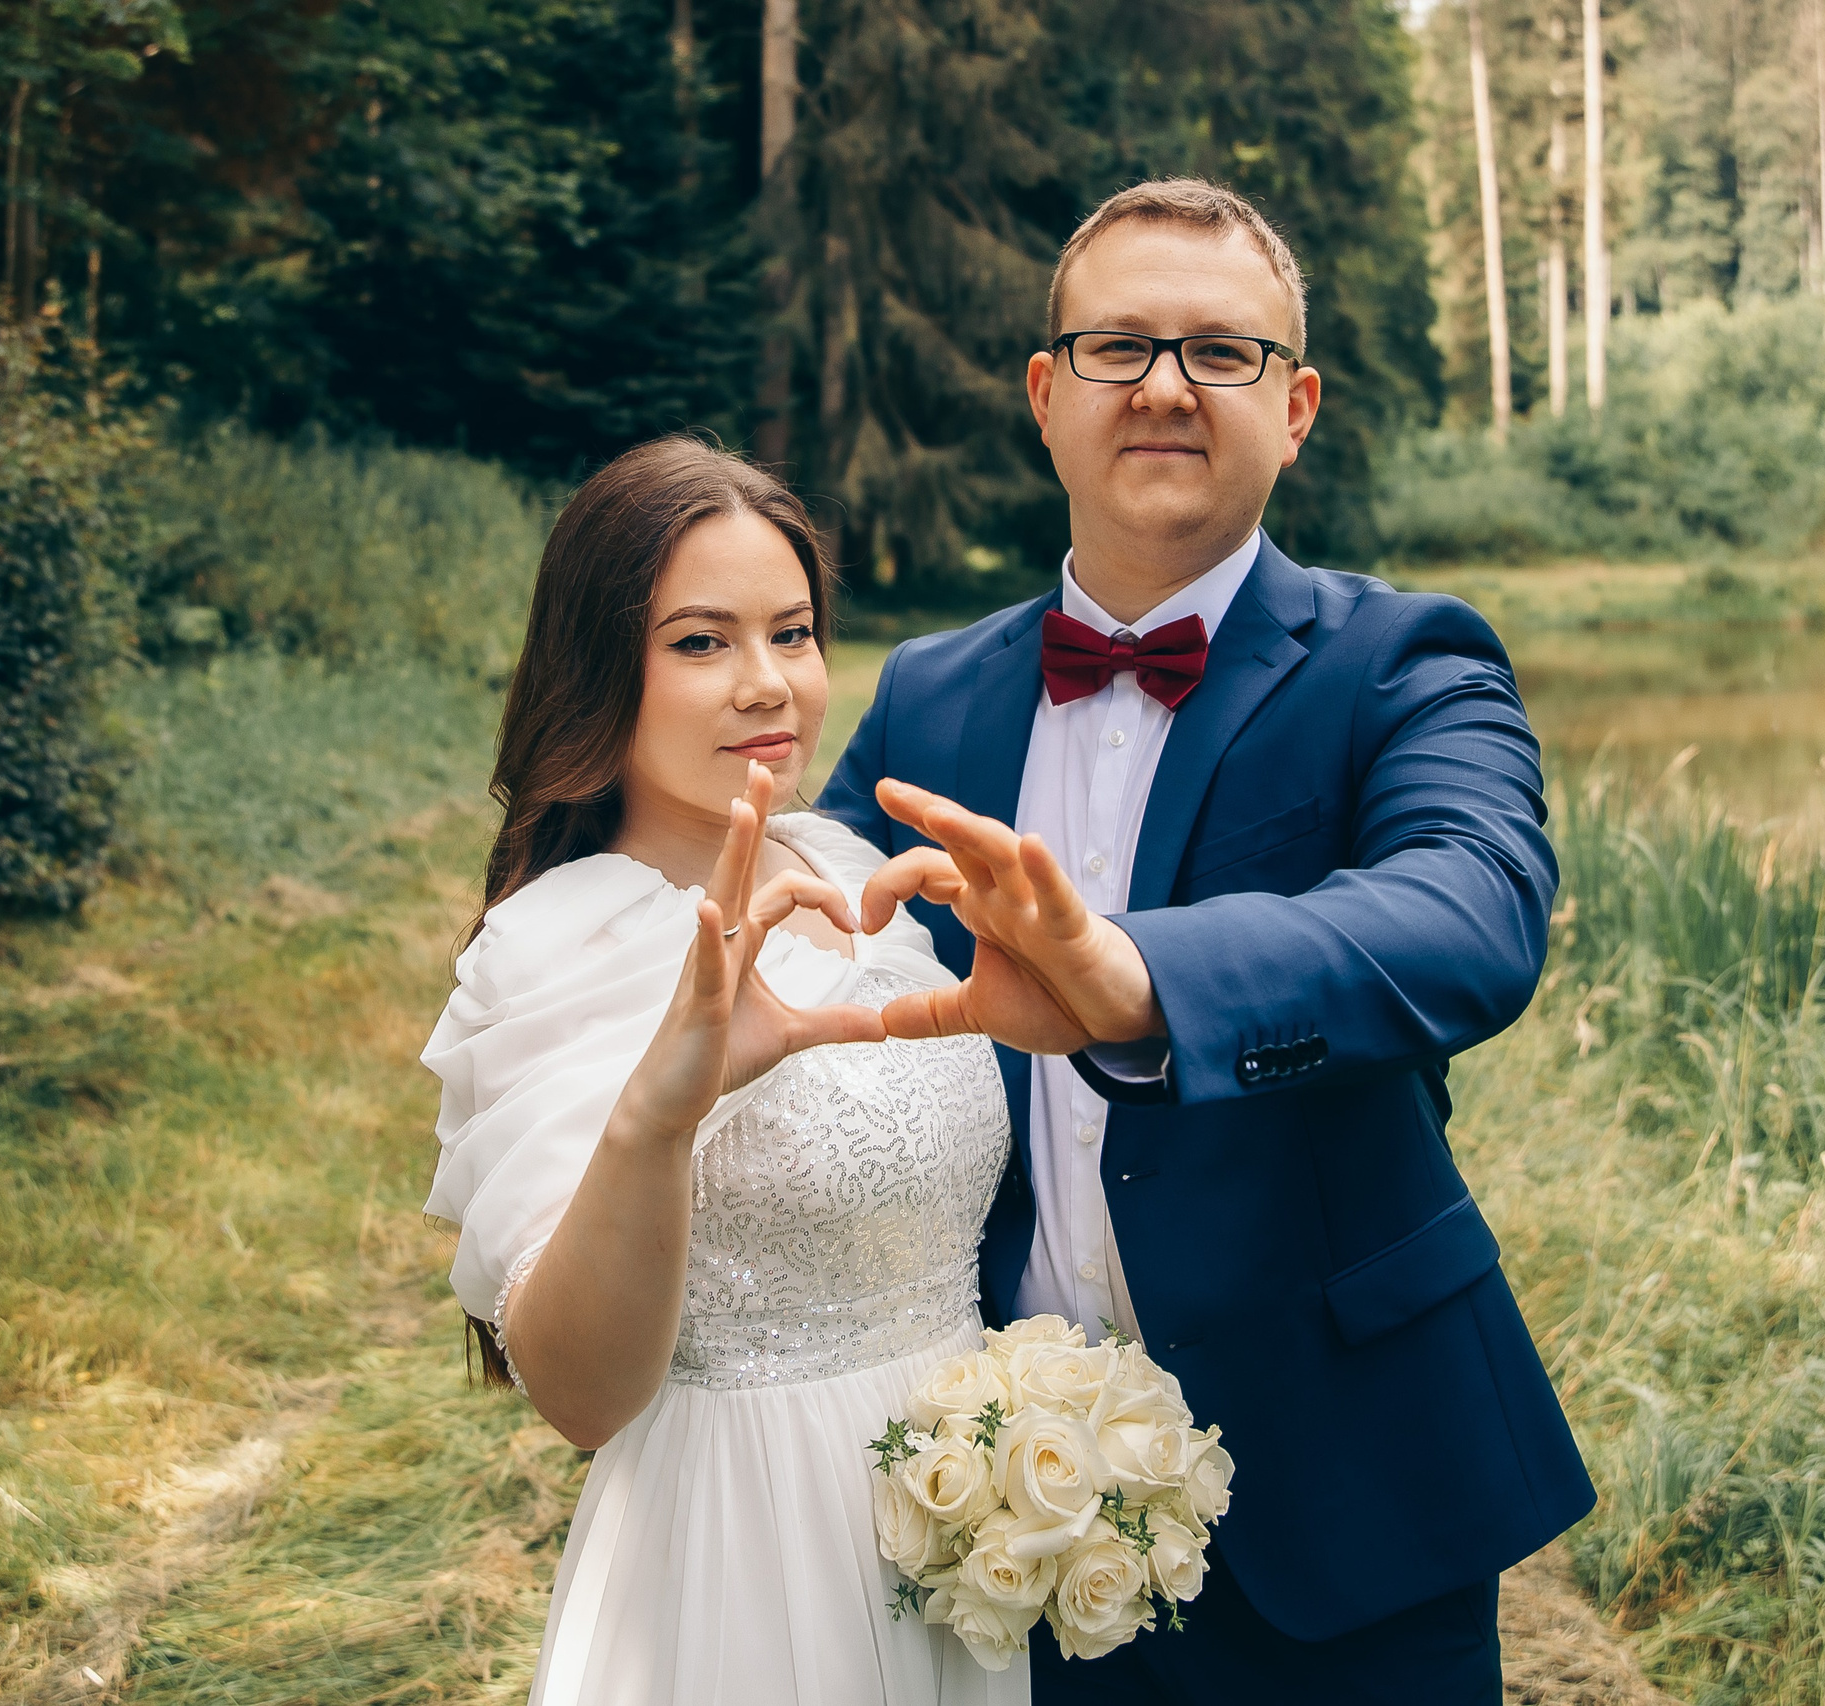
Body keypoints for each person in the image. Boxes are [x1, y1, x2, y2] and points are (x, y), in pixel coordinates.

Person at [818, 179, 1595, 1703]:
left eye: (1221, 353)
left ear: (1293, 407)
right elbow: (806, 949)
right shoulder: (928, 693)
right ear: (1047, 397)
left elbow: (1472, 908)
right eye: (1119, 346)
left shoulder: (1404, 657)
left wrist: (1141, 981)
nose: (1167, 383)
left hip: (1351, 1496)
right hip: (997, 1508)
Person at [420, 437, 1027, 1706]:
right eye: (701, 642)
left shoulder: (850, 866)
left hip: (960, 1537)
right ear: (603, 670)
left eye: (792, 633)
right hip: (748, 1550)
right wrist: (662, 1110)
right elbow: (579, 1394)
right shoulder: (563, 941)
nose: (770, 686)